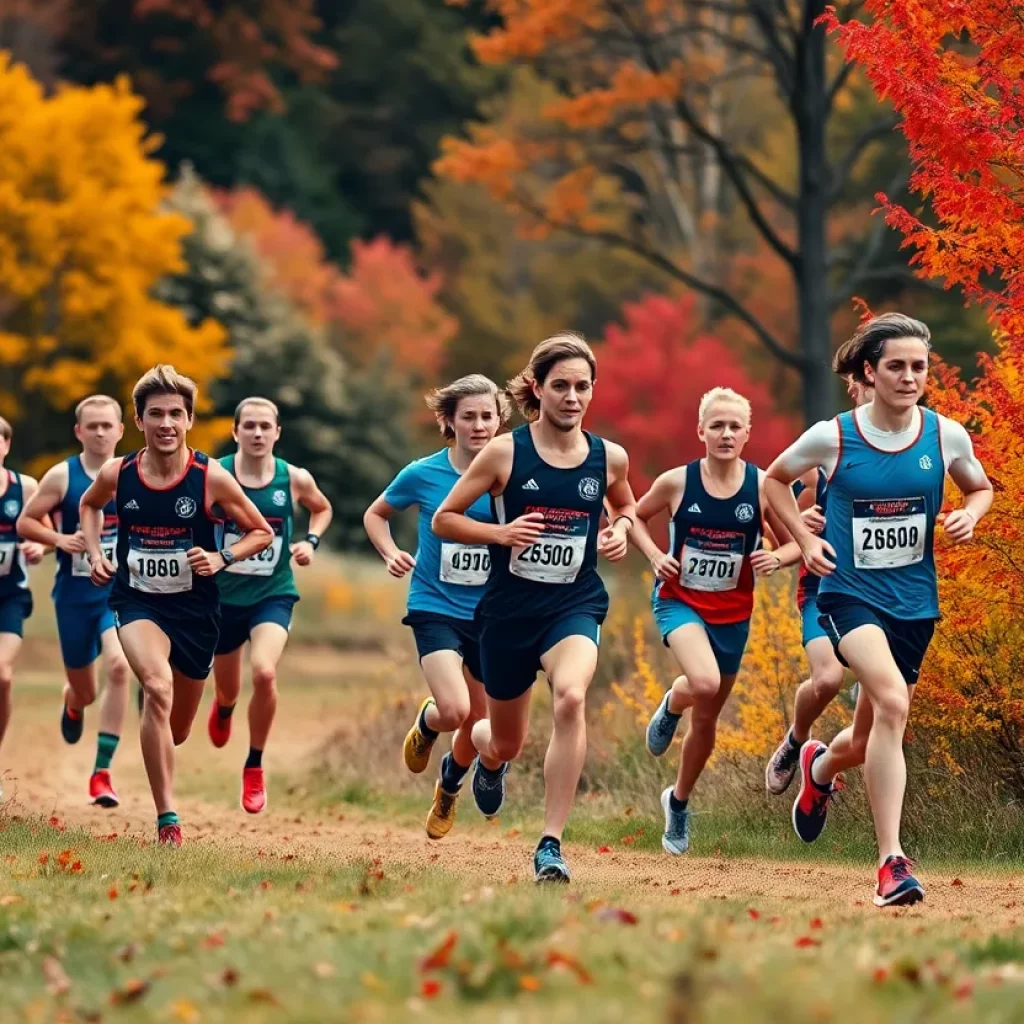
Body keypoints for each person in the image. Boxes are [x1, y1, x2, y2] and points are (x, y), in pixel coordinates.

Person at [765, 313, 992, 907]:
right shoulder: (833, 436)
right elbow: (773, 481)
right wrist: (806, 539)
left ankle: (817, 771)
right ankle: (891, 863)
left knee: (869, 737)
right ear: (870, 371)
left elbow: (980, 485)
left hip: (915, 604)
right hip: (848, 594)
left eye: (919, 366)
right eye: (896, 366)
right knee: (893, 702)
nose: (909, 376)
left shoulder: (945, 436)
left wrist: (972, 511)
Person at [433, 333, 637, 883]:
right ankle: (470, 760)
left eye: (583, 386)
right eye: (561, 386)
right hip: (507, 614)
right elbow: (444, 519)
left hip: (573, 603)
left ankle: (550, 844)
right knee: (503, 741)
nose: (573, 397)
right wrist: (500, 533)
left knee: (570, 697)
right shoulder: (505, 453)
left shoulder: (607, 457)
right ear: (536, 389)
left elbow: (625, 504)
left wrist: (620, 529)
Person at [80, 365, 273, 847]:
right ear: (140, 421)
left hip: (196, 612)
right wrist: (97, 552)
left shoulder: (212, 477)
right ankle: (168, 819)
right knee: (157, 687)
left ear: (188, 420)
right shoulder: (118, 473)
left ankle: (157, 713)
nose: (166, 423)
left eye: (175, 414)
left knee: (178, 729)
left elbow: (261, 532)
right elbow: (89, 505)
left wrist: (220, 556)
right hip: (136, 600)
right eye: (155, 414)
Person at [629, 388, 804, 855]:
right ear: (701, 431)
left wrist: (776, 557)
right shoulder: (676, 482)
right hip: (679, 600)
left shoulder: (763, 487)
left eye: (735, 427)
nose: (726, 434)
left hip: (733, 614)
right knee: (703, 683)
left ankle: (679, 801)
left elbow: (795, 541)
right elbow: (634, 518)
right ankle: (673, 701)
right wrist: (654, 556)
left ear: (748, 434)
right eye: (717, 425)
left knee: (707, 720)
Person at [364, 375, 509, 839]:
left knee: (479, 722)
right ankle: (428, 724)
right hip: (435, 605)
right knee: (453, 711)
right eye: (469, 417)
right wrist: (390, 553)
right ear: (449, 421)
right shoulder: (422, 474)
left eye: (488, 416)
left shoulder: (511, 473)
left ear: (500, 419)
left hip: (492, 614)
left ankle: (448, 786)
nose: (480, 425)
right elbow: (375, 514)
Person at [206, 397, 333, 814]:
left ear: (278, 432)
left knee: (263, 671)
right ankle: (224, 707)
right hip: (222, 599)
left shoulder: (293, 478)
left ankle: (254, 765)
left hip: (272, 593)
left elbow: (322, 508)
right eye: (250, 426)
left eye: (266, 426)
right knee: (228, 688)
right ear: (235, 431)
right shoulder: (215, 473)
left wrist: (309, 542)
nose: (258, 433)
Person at [17, 396, 132, 807]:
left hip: (118, 596)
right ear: (79, 431)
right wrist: (59, 539)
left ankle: (102, 772)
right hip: (74, 598)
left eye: (108, 425)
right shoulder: (62, 477)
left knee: (119, 666)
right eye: (92, 425)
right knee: (84, 690)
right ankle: (73, 701)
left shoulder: (135, 473)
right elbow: (25, 521)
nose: (101, 432)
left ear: (121, 430)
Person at [763, 377, 873, 795]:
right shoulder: (825, 449)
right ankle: (796, 739)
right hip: (823, 588)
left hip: (881, 594)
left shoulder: (909, 450)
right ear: (859, 387)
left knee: (884, 702)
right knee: (827, 680)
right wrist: (800, 530)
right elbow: (770, 493)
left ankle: (821, 772)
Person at [0, 417, 45, 798]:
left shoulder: (25, 487)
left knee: (1, 675)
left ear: (6, 445)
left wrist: (39, 547)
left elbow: (42, 530)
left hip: (10, 597)